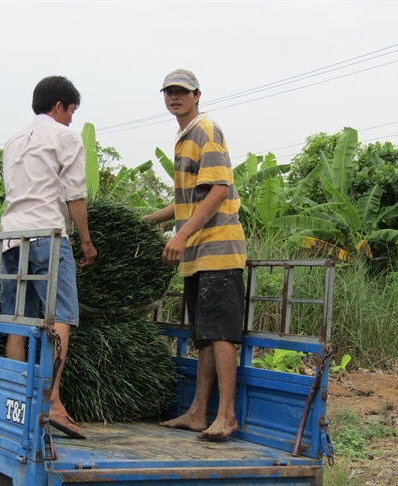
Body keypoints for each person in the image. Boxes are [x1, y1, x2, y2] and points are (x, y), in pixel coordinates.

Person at [144, 69, 247, 441]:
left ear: (197, 95)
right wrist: (153, 219)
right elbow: (190, 199)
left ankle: (227, 415)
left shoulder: (206, 130)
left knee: (219, 334)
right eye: (169, 92)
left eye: (182, 92)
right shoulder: (183, 137)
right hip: (199, 254)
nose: (175, 98)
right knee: (203, 334)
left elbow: (219, 188)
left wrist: (182, 234)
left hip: (218, 249)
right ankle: (198, 413)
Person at [0, 75, 97, 440]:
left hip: (10, 238)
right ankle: (53, 402)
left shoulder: (13, 140)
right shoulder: (65, 136)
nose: (72, 119)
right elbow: (75, 196)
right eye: (72, 111)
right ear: (59, 106)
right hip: (47, 237)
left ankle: (15, 398)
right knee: (61, 318)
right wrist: (86, 241)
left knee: (18, 319)